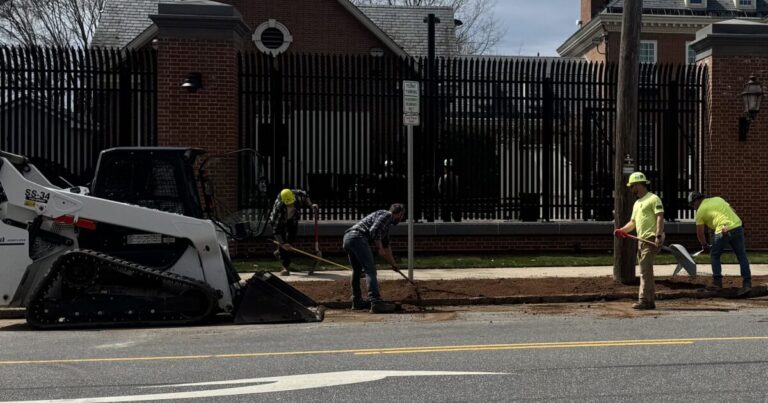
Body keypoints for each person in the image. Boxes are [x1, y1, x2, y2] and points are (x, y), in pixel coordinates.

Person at [614, 172, 664, 310]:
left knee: (645, 271)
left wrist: (658, 236)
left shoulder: (653, 199)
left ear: (638, 184)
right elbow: (633, 222)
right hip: (641, 241)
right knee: (645, 271)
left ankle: (644, 300)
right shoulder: (637, 203)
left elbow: (660, 217)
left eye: (632, 186)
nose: (631, 189)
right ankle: (649, 301)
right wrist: (622, 230)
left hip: (650, 239)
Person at [343, 203, 404, 313]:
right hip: (358, 237)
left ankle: (357, 301)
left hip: (348, 238)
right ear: (399, 214)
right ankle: (376, 302)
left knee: (357, 270)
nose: (400, 219)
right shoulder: (387, 215)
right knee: (370, 270)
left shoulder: (385, 226)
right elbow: (374, 230)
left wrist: (393, 264)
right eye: (401, 216)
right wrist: (379, 247)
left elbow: (387, 248)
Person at [688, 191, 751, 293]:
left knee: (714, 255)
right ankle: (747, 284)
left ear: (696, 201)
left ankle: (717, 282)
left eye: (692, 204)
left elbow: (700, 233)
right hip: (737, 226)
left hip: (723, 230)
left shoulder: (700, 212)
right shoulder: (718, 199)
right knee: (742, 256)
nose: (692, 207)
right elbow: (733, 211)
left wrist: (704, 245)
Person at [269, 188, 317, 276]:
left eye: (292, 202)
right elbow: (276, 229)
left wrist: (311, 205)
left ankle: (280, 252)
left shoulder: (297, 195)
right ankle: (285, 267)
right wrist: (282, 243)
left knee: (291, 240)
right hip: (281, 222)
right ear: (283, 202)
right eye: (288, 203)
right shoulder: (279, 208)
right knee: (284, 245)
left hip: (293, 219)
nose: (291, 204)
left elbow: (305, 194)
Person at [438, 158, 461, 222]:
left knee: (446, 219)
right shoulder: (457, 178)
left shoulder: (442, 178)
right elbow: (458, 189)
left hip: (445, 199)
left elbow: (439, 189)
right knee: (457, 219)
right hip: (455, 199)